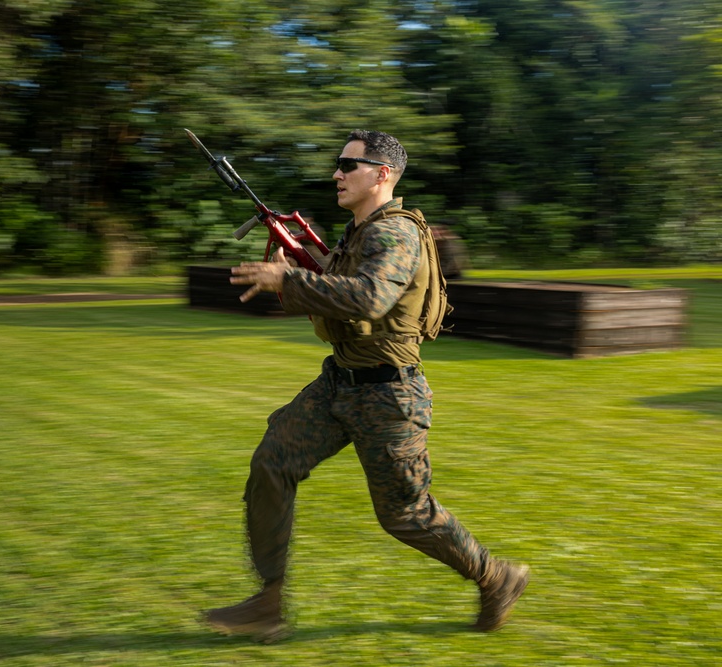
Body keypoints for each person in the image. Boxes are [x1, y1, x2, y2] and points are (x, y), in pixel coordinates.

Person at [205, 129, 528, 643]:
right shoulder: (356, 234)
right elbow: (336, 299)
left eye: (348, 164)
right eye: (338, 164)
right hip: (339, 383)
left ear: (382, 174)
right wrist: (291, 275)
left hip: (388, 395)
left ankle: (497, 578)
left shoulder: (394, 232)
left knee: (405, 514)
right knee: (272, 462)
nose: (336, 172)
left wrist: (287, 281)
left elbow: (372, 299)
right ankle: (267, 604)